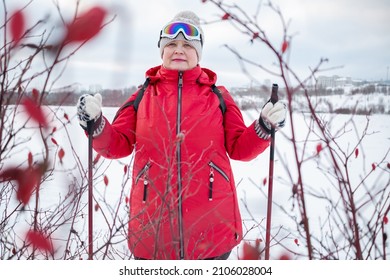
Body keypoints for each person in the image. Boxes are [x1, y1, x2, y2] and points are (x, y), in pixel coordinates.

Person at [76, 11, 287, 260]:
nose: (179, 49)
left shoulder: (218, 96)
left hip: (212, 232)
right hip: (152, 232)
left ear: (198, 53)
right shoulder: (142, 96)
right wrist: (96, 123)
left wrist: (264, 126)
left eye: (187, 45)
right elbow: (117, 145)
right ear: (162, 51)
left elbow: (240, 148)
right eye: (172, 44)